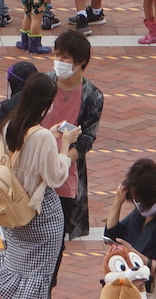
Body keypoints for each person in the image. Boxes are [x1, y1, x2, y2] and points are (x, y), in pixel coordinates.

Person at [0, 72, 80, 299]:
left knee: (18, 268)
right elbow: (56, 176)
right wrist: (65, 144)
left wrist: (51, 137)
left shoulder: (8, 125)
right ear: (46, 102)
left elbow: (24, 153)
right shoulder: (41, 137)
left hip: (15, 210)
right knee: (38, 278)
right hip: (41, 216)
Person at [42, 29, 106, 240]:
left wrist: (60, 161)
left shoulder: (92, 96)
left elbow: (86, 139)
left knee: (57, 237)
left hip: (66, 172)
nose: (59, 61)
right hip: (35, 165)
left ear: (80, 62)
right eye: (57, 55)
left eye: (65, 57)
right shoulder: (42, 85)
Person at [103, 158, 156, 296]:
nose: (138, 205)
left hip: (153, 292)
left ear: (154, 198)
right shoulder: (140, 214)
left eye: (140, 201)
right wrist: (117, 202)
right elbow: (112, 236)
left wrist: (134, 254)